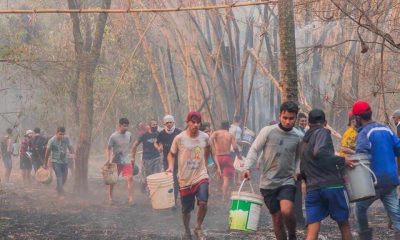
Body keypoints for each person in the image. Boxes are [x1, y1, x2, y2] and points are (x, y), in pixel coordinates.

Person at [243, 101, 302, 240]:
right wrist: (247, 167)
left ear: (295, 118)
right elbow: (254, 149)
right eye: (285, 117)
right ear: (280, 116)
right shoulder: (268, 131)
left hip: (287, 179)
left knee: (287, 211)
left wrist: (297, 170)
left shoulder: (298, 136)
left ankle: (292, 235)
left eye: (291, 118)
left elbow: (299, 157)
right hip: (268, 182)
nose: (288, 121)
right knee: (276, 218)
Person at [298, 109, 353, 240]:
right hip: (332, 186)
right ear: (325, 122)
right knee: (344, 225)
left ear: (308, 124)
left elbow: (303, 169)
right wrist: (342, 160)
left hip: (313, 189)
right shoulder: (322, 132)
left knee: (312, 232)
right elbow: (321, 153)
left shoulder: (303, 142)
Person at [166, 112, 221, 239]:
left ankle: (197, 227)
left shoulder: (205, 137)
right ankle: (187, 230)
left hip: (201, 175)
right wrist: (170, 166)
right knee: (186, 210)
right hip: (185, 178)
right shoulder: (179, 138)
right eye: (193, 122)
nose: (196, 125)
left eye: (198, 122)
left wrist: (217, 166)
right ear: (188, 123)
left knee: (203, 202)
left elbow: (211, 151)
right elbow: (171, 154)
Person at [351, 101, 400, 240]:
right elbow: (398, 148)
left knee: (359, 209)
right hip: (391, 180)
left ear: (359, 118)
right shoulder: (386, 129)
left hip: (374, 182)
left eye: (355, 118)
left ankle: (365, 236)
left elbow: (362, 156)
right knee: (396, 215)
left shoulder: (364, 133)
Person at [210, 121, 241, 200]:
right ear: (228, 127)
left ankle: (219, 191)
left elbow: (209, 140)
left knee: (219, 174)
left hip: (217, 157)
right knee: (226, 178)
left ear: (220, 126)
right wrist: (238, 155)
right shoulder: (230, 135)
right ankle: (223, 197)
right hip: (227, 157)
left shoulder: (216, 133)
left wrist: (213, 149)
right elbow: (235, 147)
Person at [107, 118, 134, 206]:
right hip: (116, 160)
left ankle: (130, 199)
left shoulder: (129, 134)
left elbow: (128, 145)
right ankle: (110, 198)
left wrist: (132, 157)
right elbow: (109, 148)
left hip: (126, 160)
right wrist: (109, 160)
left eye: (127, 126)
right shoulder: (113, 136)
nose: (126, 128)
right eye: (124, 126)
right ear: (119, 126)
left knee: (129, 178)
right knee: (112, 180)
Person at [154, 115, 182, 203]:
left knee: (180, 180)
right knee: (171, 180)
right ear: (164, 124)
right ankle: (172, 200)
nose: (169, 124)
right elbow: (156, 142)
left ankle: (180, 198)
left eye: (171, 122)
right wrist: (158, 147)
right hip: (167, 160)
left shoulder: (179, 132)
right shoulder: (161, 133)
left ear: (174, 122)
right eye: (167, 123)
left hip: (179, 160)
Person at [44, 127, 74, 200]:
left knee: (65, 177)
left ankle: (58, 188)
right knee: (59, 177)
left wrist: (72, 152)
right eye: (60, 134)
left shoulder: (66, 139)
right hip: (55, 161)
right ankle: (60, 193)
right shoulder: (52, 140)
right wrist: (45, 163)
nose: (62, 136)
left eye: (63, 134)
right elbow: (47, 152)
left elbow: (70, 148)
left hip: (65, 161)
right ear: (56, 133)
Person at [132, 119, 161, 192]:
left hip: (156, 158)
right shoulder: (144, 135)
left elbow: (161, 144)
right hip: (146, 159)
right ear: (149, 126)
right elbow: (134, 145)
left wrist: (159, 147)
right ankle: (144, 187)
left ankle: (153, 190)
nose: (155, 126)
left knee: (156, 174)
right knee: (146, 177)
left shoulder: (159, 134)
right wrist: (133, 158)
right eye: (153, 125)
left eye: (156, 124)